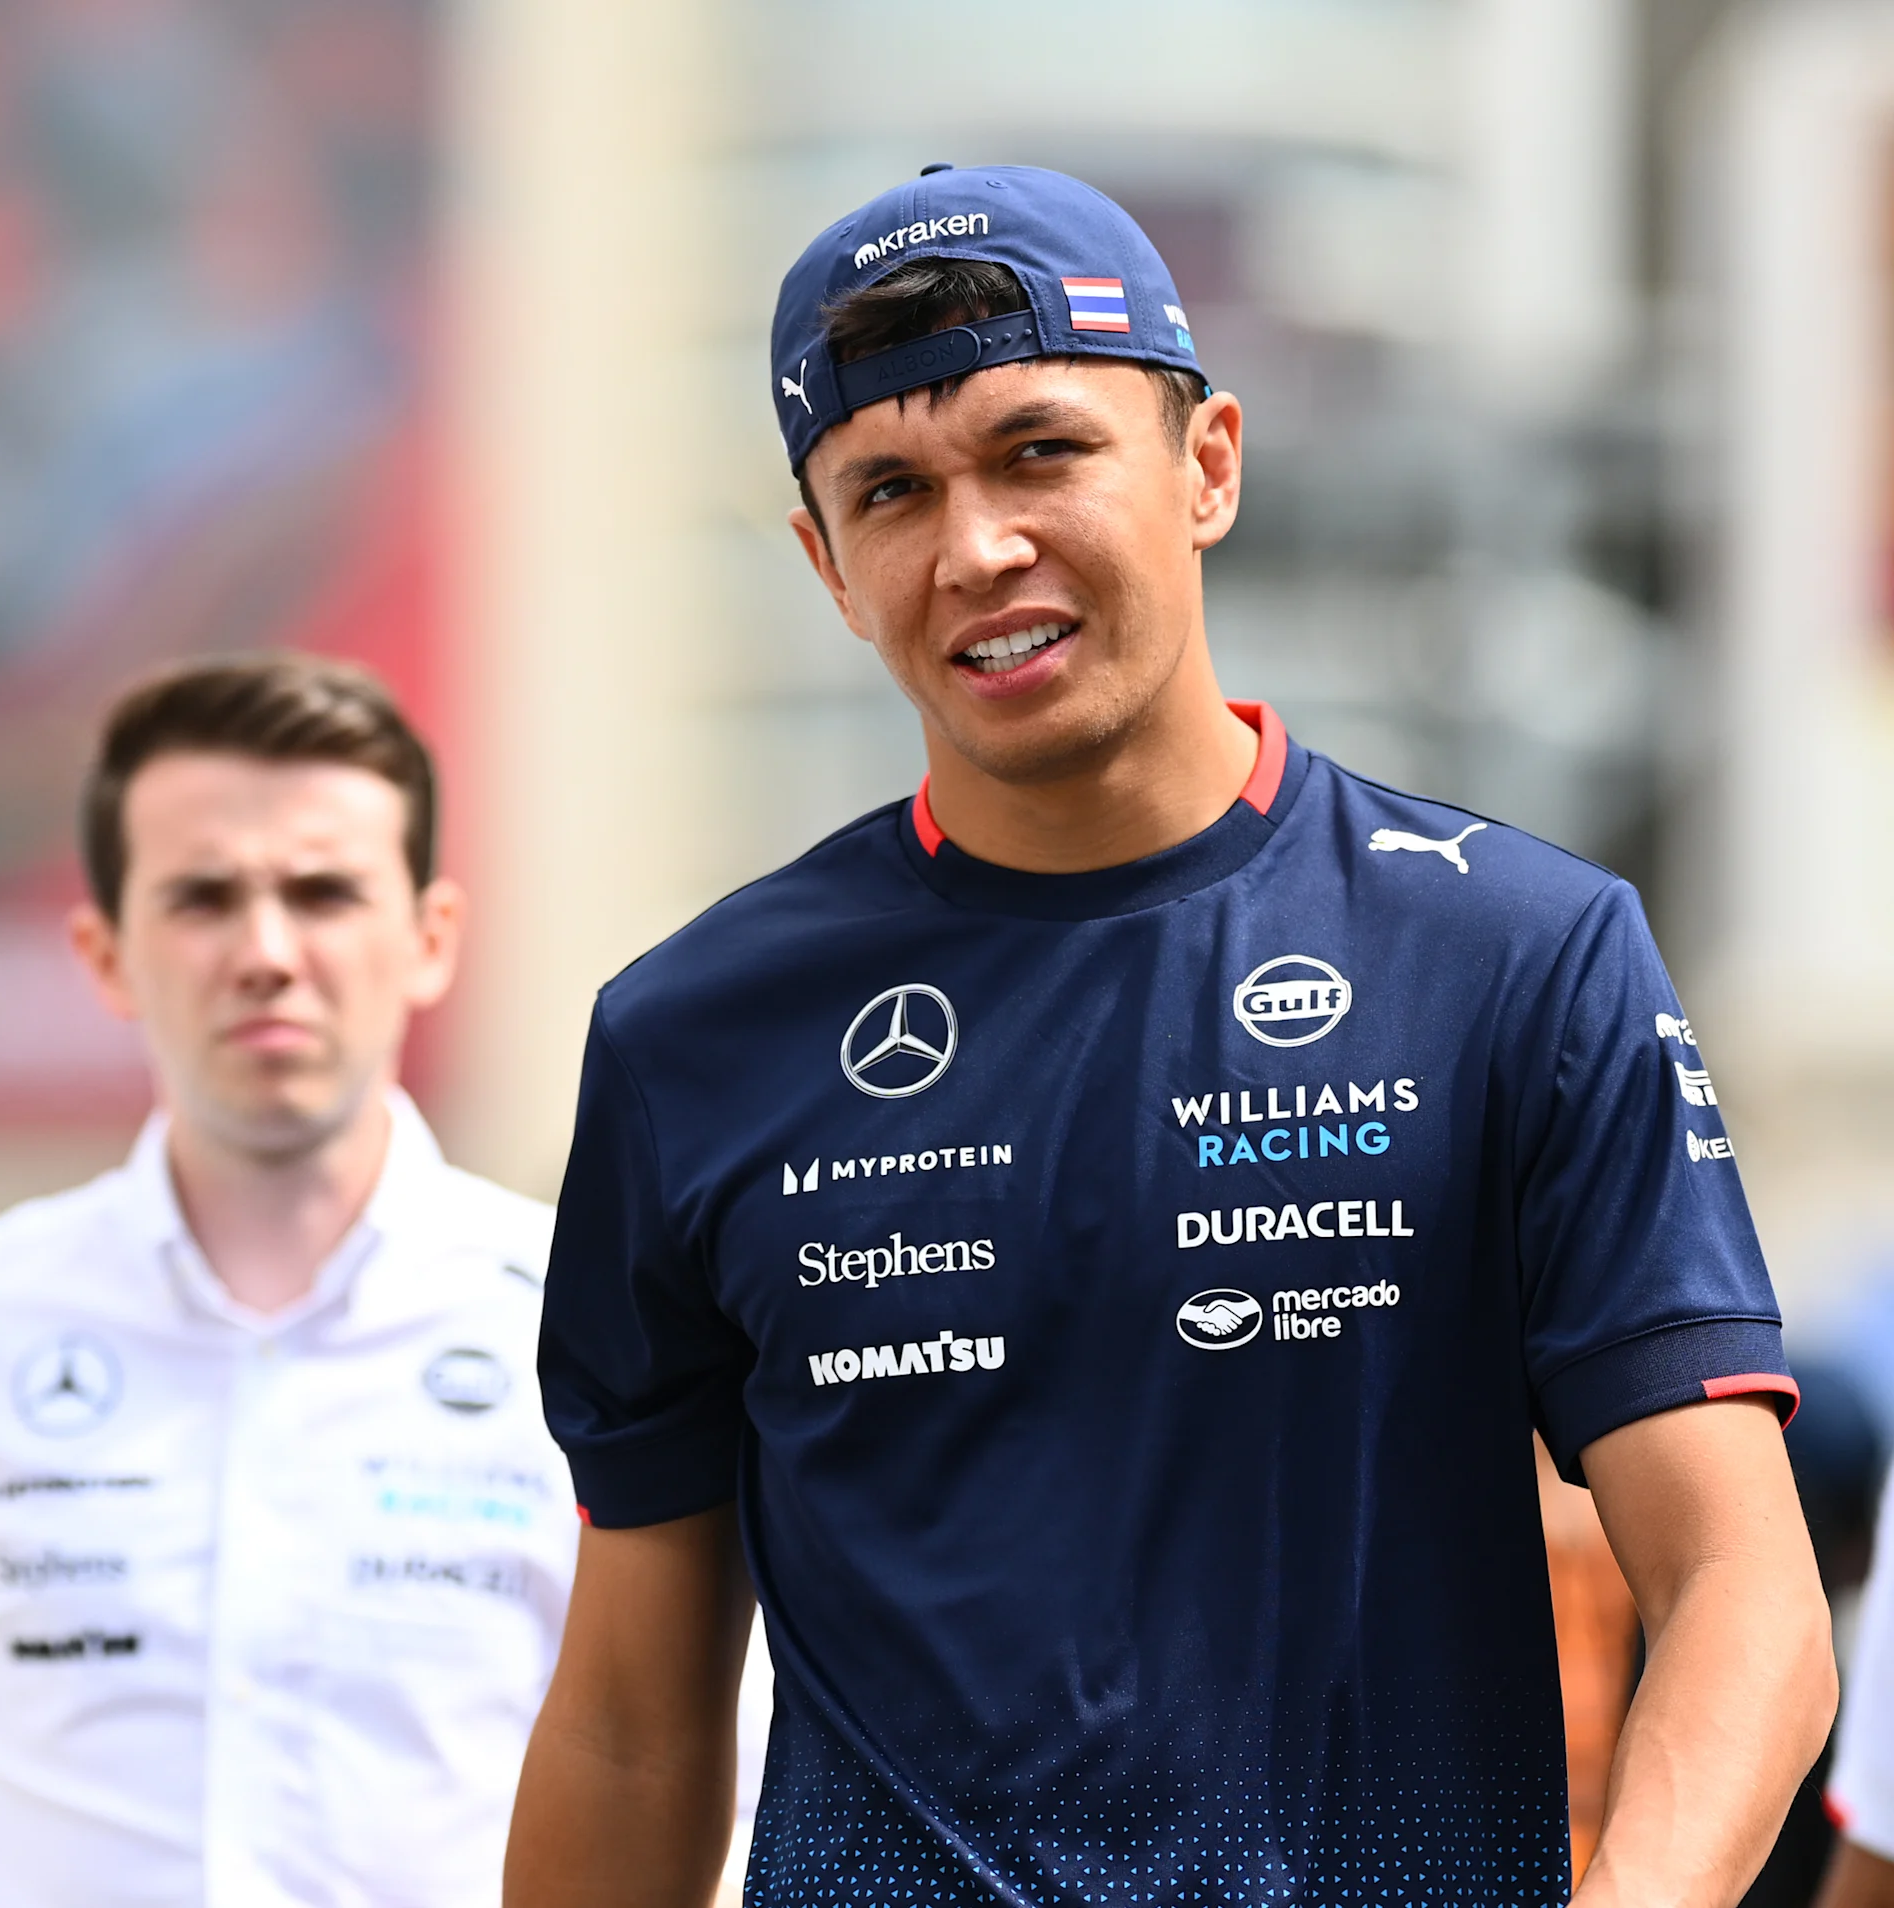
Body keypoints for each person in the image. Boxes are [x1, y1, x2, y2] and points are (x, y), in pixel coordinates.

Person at [506, 164, 1834, 1908]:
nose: (977, 548)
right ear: (826, 565)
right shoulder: (689, 1036)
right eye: (892, 491)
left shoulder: (1514, 955)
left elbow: (1744, 1594)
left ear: (1207, 465)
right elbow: (628, 1724)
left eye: (1040, 452)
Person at [0, 656, 572, 1906]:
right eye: (203, 898)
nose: (265, 952)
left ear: (430, 938)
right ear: (105, 952)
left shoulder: (585, 1321)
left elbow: (719, 1788)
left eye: (323, 892)